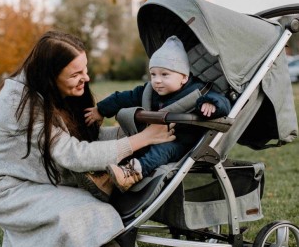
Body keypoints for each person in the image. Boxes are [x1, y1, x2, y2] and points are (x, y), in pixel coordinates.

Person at [0, 30, 176, 247]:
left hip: (40, 182)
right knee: (94, 211)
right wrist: (143, 139)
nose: (87, 78)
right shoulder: (19, 103)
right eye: (76, 74)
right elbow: (73, 154)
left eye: (85, 69)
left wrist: (130, 132)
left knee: (100, 207)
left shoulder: (57, 95)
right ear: (50, 76)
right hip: (9, 191)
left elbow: (86, 140)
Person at [85, 36, 232, 192]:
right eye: (153, 74)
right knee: (133, 145)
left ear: (183, 77)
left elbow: (223, 103)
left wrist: (210, 103)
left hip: (180, 141)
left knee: (161, 151)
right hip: (153, 135)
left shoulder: (198, 91)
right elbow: (122, 97)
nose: (157, 81)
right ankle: (107, 180)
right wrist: (100, 110)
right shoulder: (150, 91)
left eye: (164, 74)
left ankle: (132, 174)